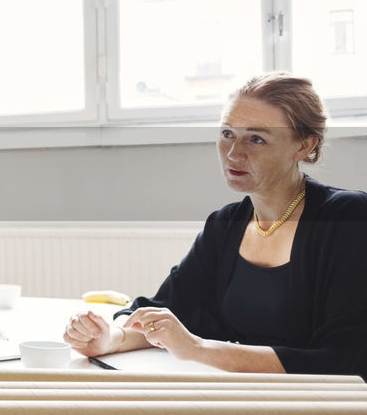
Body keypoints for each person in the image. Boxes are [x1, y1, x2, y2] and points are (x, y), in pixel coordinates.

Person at [63, 73, 367, 380]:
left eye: (256, 138)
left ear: (304, 145)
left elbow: (341, 361)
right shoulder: (225, 225)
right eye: (227, 134)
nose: (234, 153)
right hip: (250, 398)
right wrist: (109, 339)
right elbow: (169, 310)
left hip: (330, 409)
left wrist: (198, 349)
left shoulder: (348, 219)